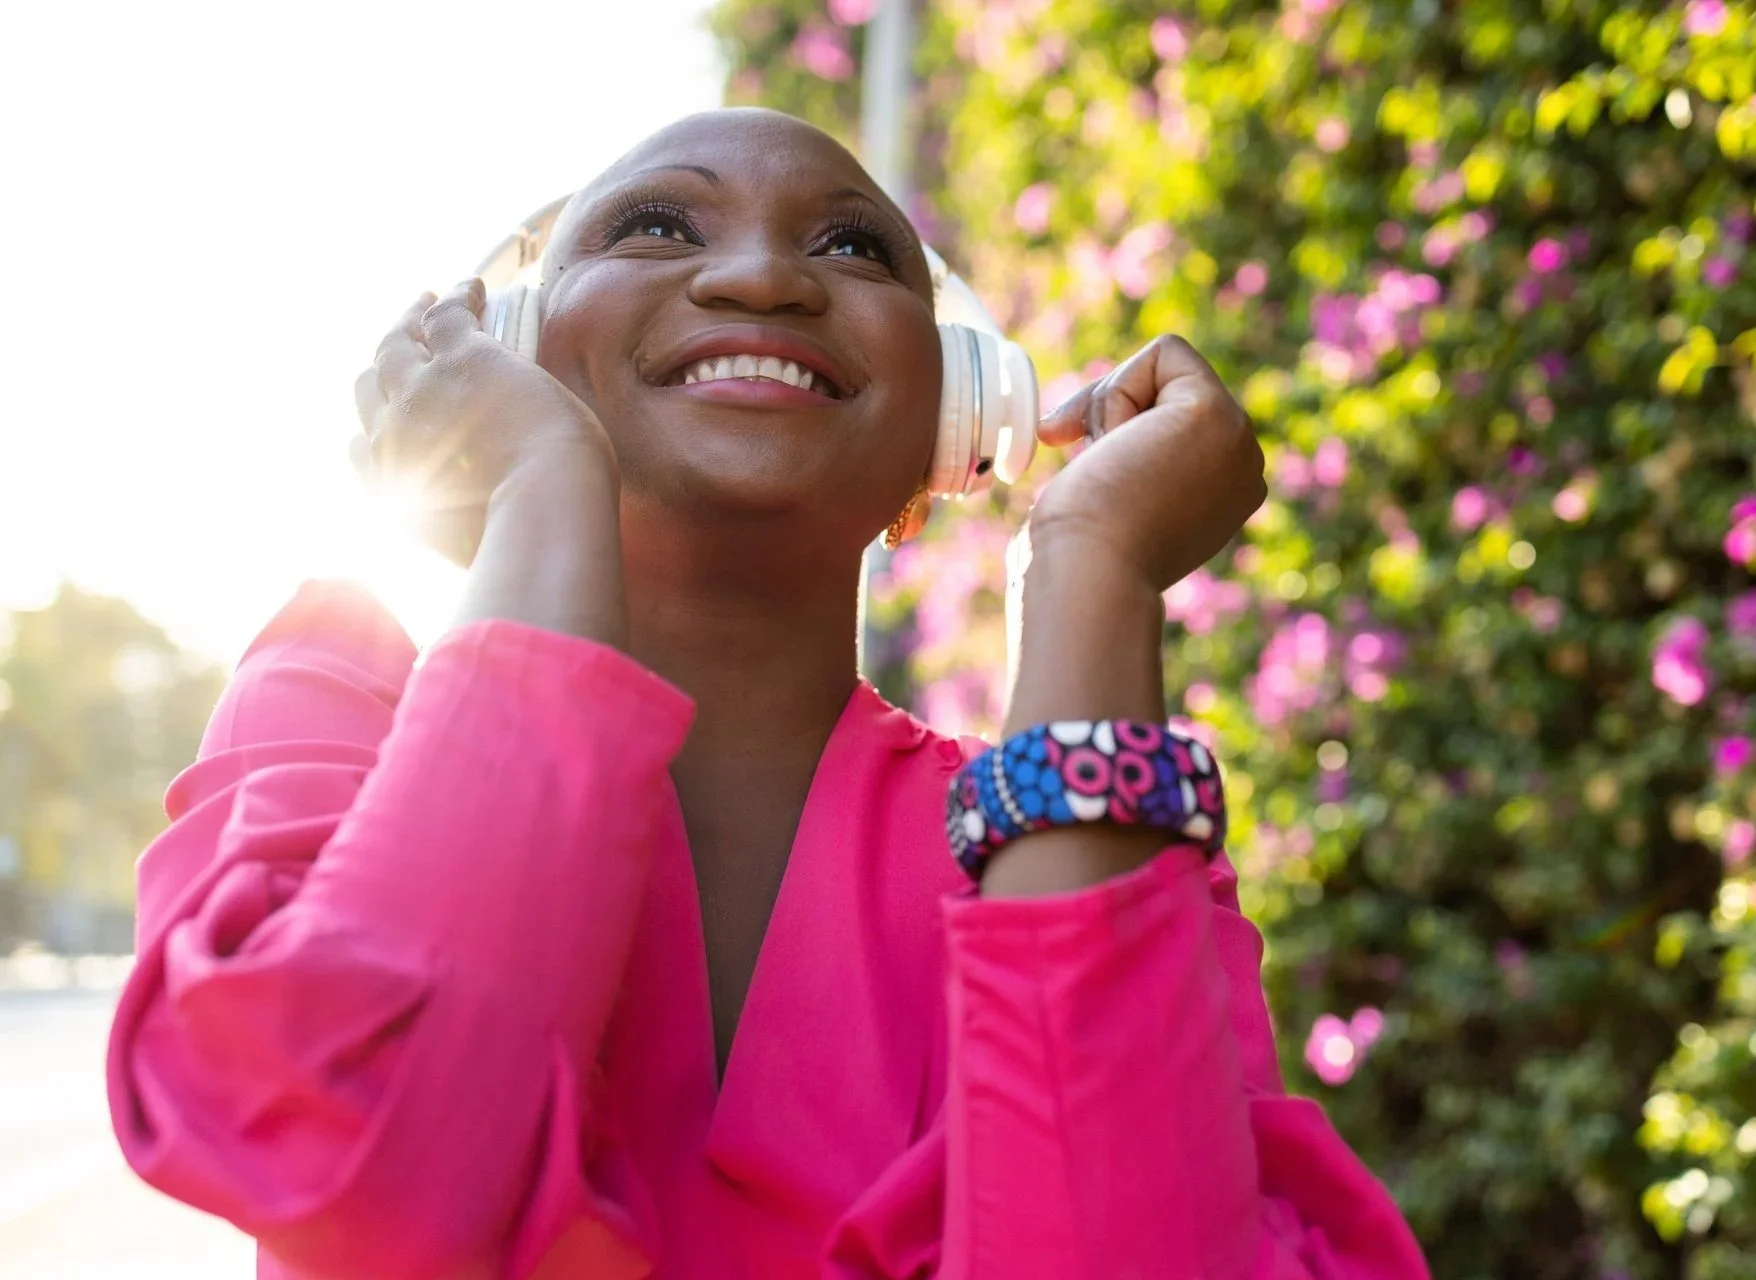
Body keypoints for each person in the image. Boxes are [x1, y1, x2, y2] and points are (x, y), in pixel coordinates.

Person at [106, 108, 1428, 1279]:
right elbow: (377, 1184)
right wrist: (543, 479)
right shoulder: (326, 710)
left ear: (955, 424)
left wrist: (1090, 565)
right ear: (515, 352)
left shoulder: (1065, 836)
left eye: (853, 249)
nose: (758, 277)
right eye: (657, 225)